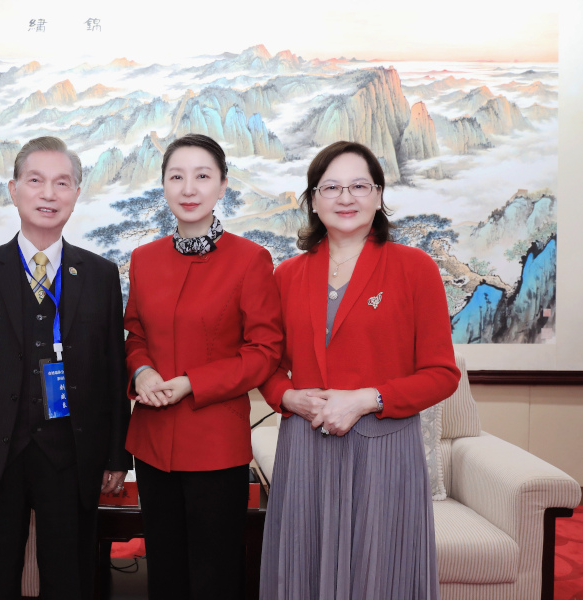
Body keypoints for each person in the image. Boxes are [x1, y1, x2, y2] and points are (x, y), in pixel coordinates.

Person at [0, 136, 131, 600]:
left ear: (76, 193)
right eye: (36, 181)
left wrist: (117, 455)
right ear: (14, 189)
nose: (48, 194)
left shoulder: (100, 275)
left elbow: (112, 371)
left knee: (70, 581)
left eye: (62, 183)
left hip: (72, 455)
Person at [258, 141, 461, 599]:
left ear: (378, 195)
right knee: (302, 573)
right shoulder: (286, 275)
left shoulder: (415, 268)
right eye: (331, 187)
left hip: (383, 450)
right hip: (305, 447)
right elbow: (265, 363)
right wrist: (286, 396)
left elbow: (442, 373)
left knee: (380, 577)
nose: (345, 197)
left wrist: (368, 398)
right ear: (313, 200)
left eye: (359, 186)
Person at [123, 133, 284, 600]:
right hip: (153, 443)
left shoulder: (250, 259)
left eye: (202, 176)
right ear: (164, 185)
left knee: (215, 577)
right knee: (164, 574)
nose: (189, 188)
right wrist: (141, 372)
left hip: (215, 443)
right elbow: (135, 334)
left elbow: (265, 350)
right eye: (177, 177)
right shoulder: (144, 259)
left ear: (222, 185)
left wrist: (192, 383)